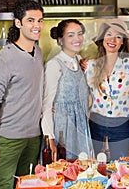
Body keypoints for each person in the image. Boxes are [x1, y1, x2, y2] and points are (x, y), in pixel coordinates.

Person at [0, 0, 44, 188]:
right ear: (18, 23)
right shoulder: (5, 58)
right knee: (3, 185)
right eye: (31, 20)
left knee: (27, 184)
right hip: (9, 139)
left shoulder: (39, 52)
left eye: (40, 21)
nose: (37, 26)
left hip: (34, 137)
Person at [83, 19, 129, 160]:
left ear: (122, 42)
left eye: (118, 36)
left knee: (119, 165)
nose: (113, 39)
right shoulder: (90, 66)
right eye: (109, 34)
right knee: (98, 164)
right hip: (96, 123)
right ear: (102, 39)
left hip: (121, 124)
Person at [41, 19, 93, 159]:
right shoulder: (54, 65)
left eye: (80, 34)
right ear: (60, 40)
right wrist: (49, 140)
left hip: (81, 129)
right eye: (70, 35)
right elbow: (46, 105)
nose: (77, 38)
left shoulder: (79, 60)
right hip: (62, 131)